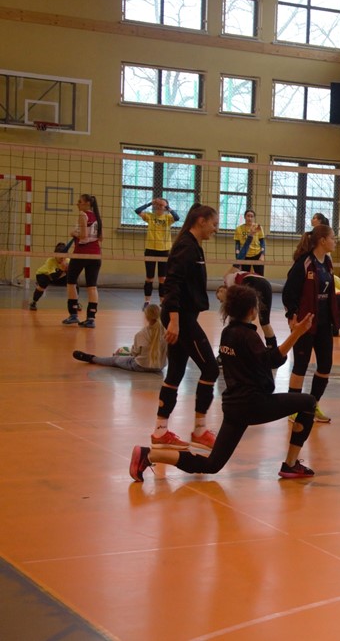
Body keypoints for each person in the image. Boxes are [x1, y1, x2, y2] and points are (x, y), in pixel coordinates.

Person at [129, 285, 318, 482]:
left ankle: (149, 455)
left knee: (212, 465)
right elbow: (273, 360)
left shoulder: (227, 333)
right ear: (252, 311)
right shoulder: (248, 336)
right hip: (254, 405)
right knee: (308, 402)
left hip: (233, 406)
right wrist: (297, 333)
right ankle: (290, 464)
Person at [153, 204, 220, 452]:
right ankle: (200, 431)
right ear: (201, 221)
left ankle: (160, 431)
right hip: (181, 317)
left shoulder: (194, 245)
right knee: (210, 368)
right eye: (214, 224)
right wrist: (174, 321)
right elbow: (172, 284)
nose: (215, 228)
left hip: (184, 316)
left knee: (175, 372)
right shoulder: (186, 246)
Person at [282, 224, 339, 424]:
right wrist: (292, 316)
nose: (335, 241)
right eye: (332, 237)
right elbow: (289, 292)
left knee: (325, 365)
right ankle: (293, 408)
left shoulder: (328, 262)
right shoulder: (304, 263)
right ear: (322, 241)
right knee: (301, 365)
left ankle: (311, 406)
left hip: (323, 323)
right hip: (305, 323)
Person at [72, 304, 167, 373]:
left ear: (146, 317)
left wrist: (124, 353)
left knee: (115, 360)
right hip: (159, 367)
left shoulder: (141, 334)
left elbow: (134, 353)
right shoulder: (167, 332)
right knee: (125, 358)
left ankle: (92, 358)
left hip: (141, 366)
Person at [62, 194, 102, 328]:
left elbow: (83, 236)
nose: (77, 204)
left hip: (81, 254)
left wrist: (74, 233)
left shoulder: (82, 214)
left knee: (71, 282)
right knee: (92, 286)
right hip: (96, 255)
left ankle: (73, 314)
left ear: (87, 204)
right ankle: (91, 318)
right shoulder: (97, 216)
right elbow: (101, 238)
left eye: (80, 202)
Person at [217, 266, 278, 348]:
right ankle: (273, 348)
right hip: (265, 284)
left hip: (250, 281)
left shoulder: (227, 281)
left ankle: (245, 346)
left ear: (221, 290)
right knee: (265, 322)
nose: (221, 301)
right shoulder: (234, 281)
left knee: (242, 319)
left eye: (219, 299)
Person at [135, 197, 180, 309]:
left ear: (165, 207)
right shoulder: (150, 216)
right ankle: (147, 302)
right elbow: (137, 211)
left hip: (164, 250)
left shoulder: (168, 218)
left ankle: (162, 302)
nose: (159, 207)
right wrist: (150, 203)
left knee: (162, 278)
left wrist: (167, 207)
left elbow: (177, 217)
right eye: (158, 205)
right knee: (149, 277)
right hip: (150, 249)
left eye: (162, 205)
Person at [29, 240, 73, 310]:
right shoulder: (50, 260)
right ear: (55, 254)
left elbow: (71, 274)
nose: (62, 258)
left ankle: (75, 303)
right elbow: (53, 277)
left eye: (64, 256)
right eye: (60, 256)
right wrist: (63, 269)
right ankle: (34, 302)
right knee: (43, 283)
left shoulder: (68, 261)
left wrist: (66, 270)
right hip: (44, 275)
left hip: (59, 277)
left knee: (74, 282)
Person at [234, 209, 266, 275]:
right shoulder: (239, 229)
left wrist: (262, 255)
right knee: (245, 276)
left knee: (260, 276)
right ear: (245, 217)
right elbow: (237, 244)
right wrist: (238, 258)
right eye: (248, 216)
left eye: (252, 216)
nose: (250, 218)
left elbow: (262, 242)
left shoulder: (258, 227)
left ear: (254, 218)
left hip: (257, 254)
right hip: (245, 255)